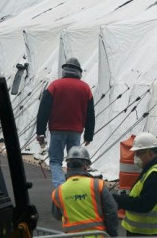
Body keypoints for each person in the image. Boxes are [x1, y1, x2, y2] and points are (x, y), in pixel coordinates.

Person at [36, 57, 95, 188]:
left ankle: (60, 186)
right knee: (74, 161)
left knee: (55, 161)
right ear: (79, 72)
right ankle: (73, 188)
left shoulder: (54, 86)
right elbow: (90, 113)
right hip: (76, 131)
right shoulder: (85, 88)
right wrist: (89, 135)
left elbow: (43, 110)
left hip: (57, 130)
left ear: (64, 71)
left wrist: (40, 132)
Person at [112, 132, 157, 235]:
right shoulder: (155, 168)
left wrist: (121, 200)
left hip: (147, 231)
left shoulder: (155, 174)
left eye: (138, 154)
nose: (135, 158)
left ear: (150, 153)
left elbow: (144, 204)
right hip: (150, 230)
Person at [52, 146, 119, 236]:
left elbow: (57, 215)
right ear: (85, 166)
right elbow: (111, 210)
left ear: (67, 167)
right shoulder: (97, 185)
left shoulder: (58, 191)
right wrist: (112, 233)